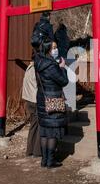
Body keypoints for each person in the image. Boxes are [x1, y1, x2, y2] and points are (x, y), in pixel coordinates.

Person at [34, 38, 68, 168]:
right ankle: (50, 161)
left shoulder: (39, 62)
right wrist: (62, 68)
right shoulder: (52, 65)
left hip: (42, 100)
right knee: (52, 132)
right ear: (48, 49)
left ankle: (44, 160)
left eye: (56, 47)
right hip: (53, 99)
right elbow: (63, 81)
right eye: (53, 47)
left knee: (44, 132)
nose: (56, 49)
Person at [22, 52, 42, 157]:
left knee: (33, 125)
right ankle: (37, 151)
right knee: (40, 126)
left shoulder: (29, 68)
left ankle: (29, 149)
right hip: (36, 100)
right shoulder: (37, 70)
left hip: (29, 99)